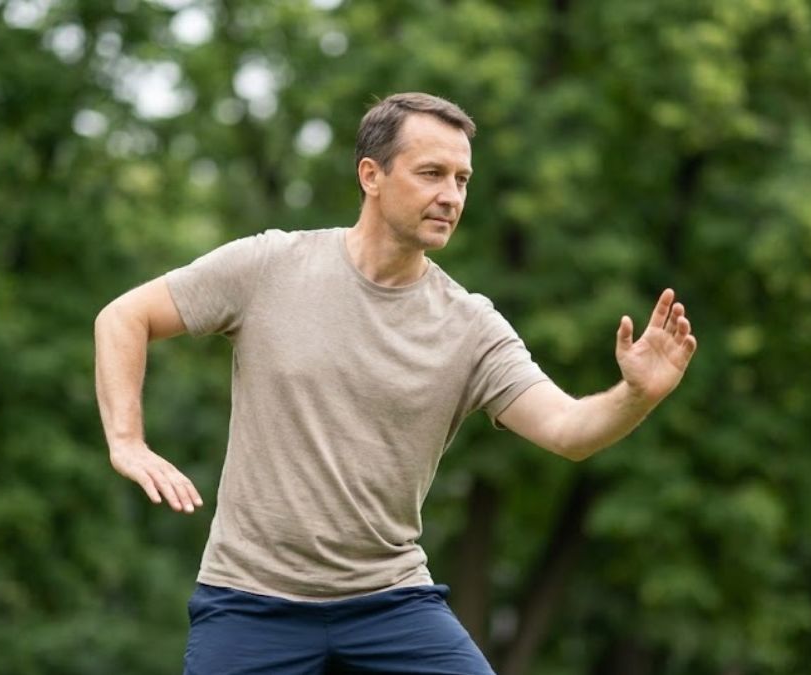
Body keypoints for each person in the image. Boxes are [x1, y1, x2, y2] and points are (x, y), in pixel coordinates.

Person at [93, 92, 697, 674]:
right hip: (251, 600)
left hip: (388, 601)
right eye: (432, 173)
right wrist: (127, 440)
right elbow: (124, 317)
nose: (451, 196)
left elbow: (569, 431)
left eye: (462, 180)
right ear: (371, 176)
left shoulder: (471, 326)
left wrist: (636, 394)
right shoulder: (269, 267)